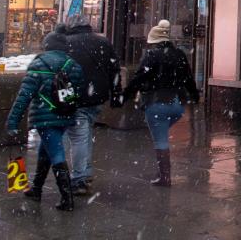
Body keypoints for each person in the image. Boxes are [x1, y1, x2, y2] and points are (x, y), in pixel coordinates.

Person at [6, 32, 84, 211]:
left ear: (46, 46)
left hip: (44, 117)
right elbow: (78, 92)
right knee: (45, 149)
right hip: (65, 115)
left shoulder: (39, 63)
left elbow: (24, 95)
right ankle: (37, 189)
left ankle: (67, 199)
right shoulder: (73, 65)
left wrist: (12, 121)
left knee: (56, 152)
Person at [123, 20, 199, 187]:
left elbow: (138, 78)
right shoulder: (179, 54)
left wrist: (124, 95)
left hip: (156, 104)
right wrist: (195, 96)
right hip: (176, 106)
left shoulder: (151, 56)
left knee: (160, 141)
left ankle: (164, 177)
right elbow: (188, 78)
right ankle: (163, 174)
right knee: (162, 134)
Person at [61, 15, 122, 196]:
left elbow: (59, 69)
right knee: (84, 132)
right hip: (96, 96)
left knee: (78, 137)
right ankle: (84, 172)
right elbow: (114, 69)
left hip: (74, 96)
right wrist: (116, 93)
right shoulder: (102, 42)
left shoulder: (66, 43)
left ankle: (79, 178)